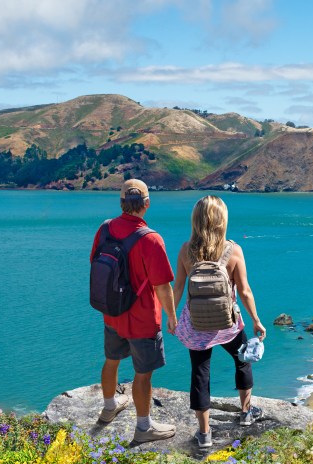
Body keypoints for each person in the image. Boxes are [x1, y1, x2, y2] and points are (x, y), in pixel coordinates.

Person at [171, 195, 266, 448]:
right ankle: (246, 413)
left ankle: (204, 434)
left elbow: (178, 287)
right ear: (222, 220)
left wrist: (170, 317)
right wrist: (256, 320)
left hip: (196, 325)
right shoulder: (233, 250)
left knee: (200, 374)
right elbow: (244, 291)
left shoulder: (185, 250)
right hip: (228, 324)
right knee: (242, 361)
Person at [90, 179, 178, 443]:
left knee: (112, 360)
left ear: (121, 204)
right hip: (142, 319)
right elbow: (162, 286)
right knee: (143, 373)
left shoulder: (104, 229)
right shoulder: (151, 240)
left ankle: (108, 408)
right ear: (147, 204)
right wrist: (172, 317)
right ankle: (143, 428)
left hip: (112, 313)